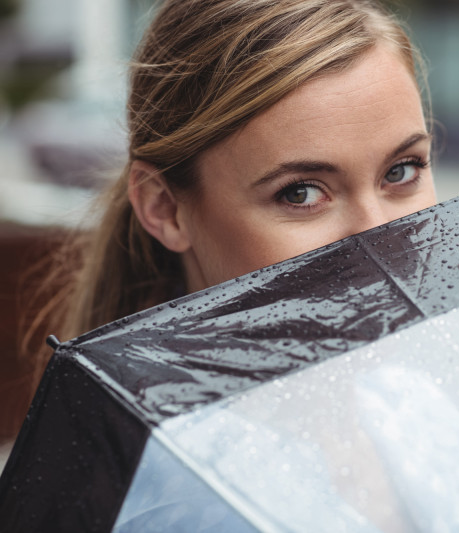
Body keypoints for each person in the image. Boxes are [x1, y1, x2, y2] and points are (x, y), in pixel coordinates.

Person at [17, 0, 436, 424]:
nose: (380, 240)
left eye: (401, 171)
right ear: (164, 209)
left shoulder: (421, 403)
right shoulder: (159, 474)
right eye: (301, 194)